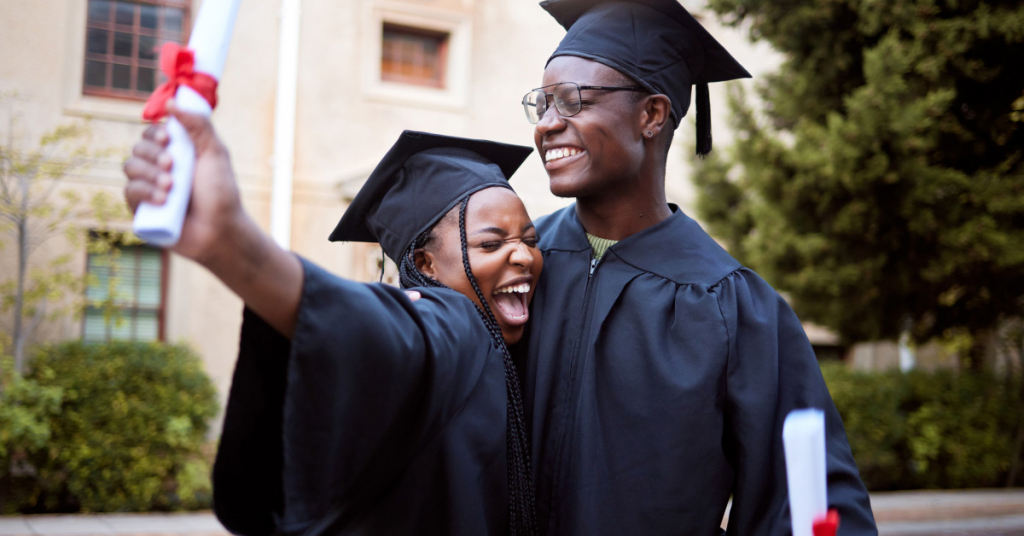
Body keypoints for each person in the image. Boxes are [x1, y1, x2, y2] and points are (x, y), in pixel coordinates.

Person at [514, 0, 878, 534]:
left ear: (652, 115)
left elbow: (807, 499)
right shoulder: (517, 266)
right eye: (542, 104)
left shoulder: (734, 307)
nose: (548, 125)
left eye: (571, 101)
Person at [122, 111, 542, 535]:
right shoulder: (452, 323)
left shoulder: (503, 341)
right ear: (425, 264)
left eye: (530, 239)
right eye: (491, 243)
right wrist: (231, 245)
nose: (523, 255)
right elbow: (379, 327)